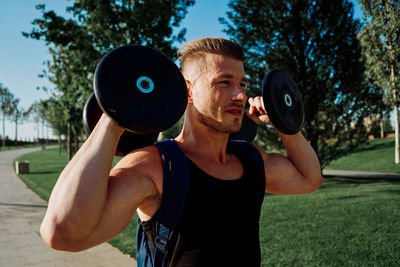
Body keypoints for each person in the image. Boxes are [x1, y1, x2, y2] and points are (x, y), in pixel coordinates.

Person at [40, 37, 324, 266]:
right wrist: (116, 116)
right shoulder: (155, 166)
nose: (239, 95)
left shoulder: (250, 158)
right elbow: (63, 233)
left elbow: (310, 178)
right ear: (187, 91)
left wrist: (284, 124)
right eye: (224, 82)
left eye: (242, 84)